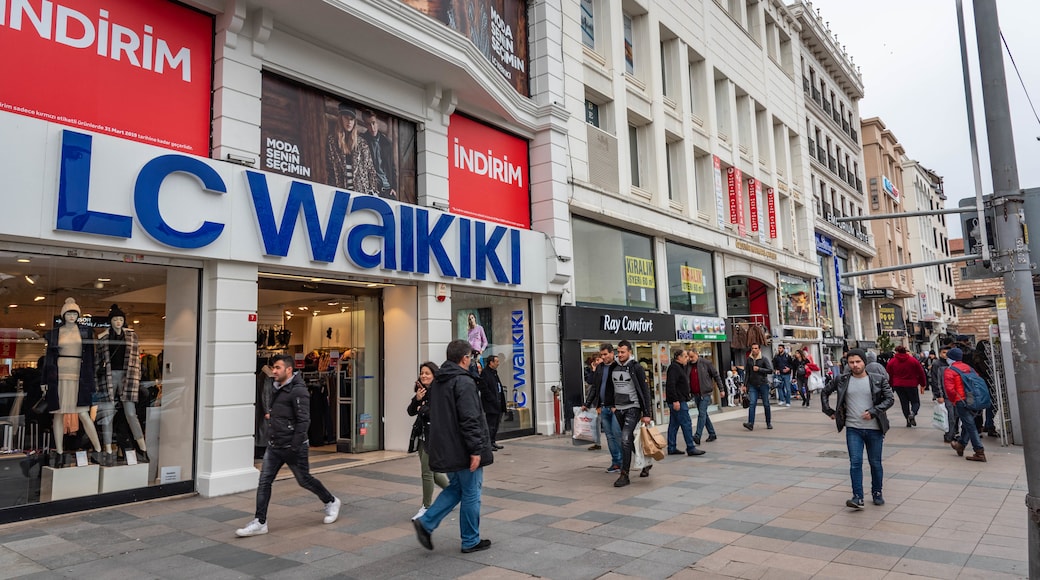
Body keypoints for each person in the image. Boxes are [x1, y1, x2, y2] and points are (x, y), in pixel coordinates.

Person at [236, 354, 340, 537]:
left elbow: (303, 421)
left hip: (293, 446)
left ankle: (331, 501)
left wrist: (294, 447)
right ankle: (260, 521)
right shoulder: (278, 387)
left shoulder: (298, 390)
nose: (273, 371)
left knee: (304, 480)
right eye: (273, 367)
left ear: (289, 369)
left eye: (277, 367)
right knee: (264, 482)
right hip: (275, 445)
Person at [413, 339, 494, 553]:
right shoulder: (463, 382)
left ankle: (426, 522)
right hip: (463, 449)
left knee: (457, 488)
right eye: (470, 357)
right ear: (464, 358)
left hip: (448, 448)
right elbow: (469, 418)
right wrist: (475, 450)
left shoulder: (440, 381)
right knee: (471, 492)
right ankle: (470, 540)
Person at [820, 349, 894, 509]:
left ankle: (877, 492)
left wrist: (873, 412)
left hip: (875, 429)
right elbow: (825, 392)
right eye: (851, 362)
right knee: (855, 462)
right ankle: (857, 497)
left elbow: (890, 399)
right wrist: (829, 411)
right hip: (853, 429)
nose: (855, 365)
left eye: (858, 362)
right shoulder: (842, 379)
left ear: (864, 362)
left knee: (875, 463)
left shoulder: (878, 379)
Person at [42, 298, 104, 467]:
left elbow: (90, 358)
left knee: (83, 413)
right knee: (58, 413)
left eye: (74, 313)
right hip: (59, 375)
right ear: (63, 315)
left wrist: (91, 381)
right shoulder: (55, 333)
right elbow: (49, 359)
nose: (71, 316)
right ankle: (60, 453)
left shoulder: (86, 331)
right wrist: (45, 380)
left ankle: (98, 450)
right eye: (68, 313)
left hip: (80, 375)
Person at [95, 303, 146, 465]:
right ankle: (108, 450)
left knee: (131, 413)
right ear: (110, 321)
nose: (118, 322)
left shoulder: (132, 336)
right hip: (108, 377)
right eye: (115, 319)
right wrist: (97, 380)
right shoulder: (103, 338)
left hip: (127, 377)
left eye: (120, 319)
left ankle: (142, 448)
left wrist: (136, 378)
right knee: (107, 415)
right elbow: (98, 362)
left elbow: (136, 360)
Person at [607, 340, 654, 487]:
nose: (620, 354)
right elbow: (609, 387)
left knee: (625, 439)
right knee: (628, 441)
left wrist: (647, 412)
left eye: (623, 352)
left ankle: (624, 474)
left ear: (629, 352)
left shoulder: (636, 368)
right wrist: (612, 406)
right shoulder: (613, 367)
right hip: (618, 409)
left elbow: (645, 391)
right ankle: (645, 462)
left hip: (633, 408)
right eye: (618, 352)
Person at [407, 361, 449, 520]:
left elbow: (436, 413)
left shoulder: (439, 392)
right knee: (435, 472)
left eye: (427, 373)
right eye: (422, 373)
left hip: (434, 437)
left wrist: (422, 408)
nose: (424, 376)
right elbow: (410, 411)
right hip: (421, 436)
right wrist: (417, 400)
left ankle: (426, 507)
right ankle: (454, 493)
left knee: (427, 472)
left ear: (434, 375)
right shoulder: (422, 391)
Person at [582, 344, 624, 474]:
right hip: (603, 407)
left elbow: (623, 387)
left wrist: (617, 405)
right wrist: (588, 403)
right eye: (602, 355)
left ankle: (624, 462)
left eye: (606, 354)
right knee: (610, 436)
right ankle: (616, 462)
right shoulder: (599, 368)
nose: (603, 357)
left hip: (615, 408)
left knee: (618, 435)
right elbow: (595, 387)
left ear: (612, 353)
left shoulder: (618, 367)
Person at [943, 347, 987, 462]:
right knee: (968, 424)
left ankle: (979, 451)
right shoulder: (969, 368)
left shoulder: (950, 370)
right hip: (973, 399)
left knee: (970, 426)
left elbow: (950, 389)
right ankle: (960, 445)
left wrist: (954, 401)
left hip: (961, 400)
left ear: (951, 358)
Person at [326, 103, 380, 194]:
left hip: (360, 194)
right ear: (341, 119)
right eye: (346, 118)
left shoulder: (362, 143)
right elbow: (329, 168)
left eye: (352, 119)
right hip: (340, 192)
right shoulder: (332, 141)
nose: (349, 122)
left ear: (355, 121)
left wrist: (373, 192)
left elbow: (371, 171)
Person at [663, 349, 699, 456]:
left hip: (679, 400)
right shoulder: (674, 368)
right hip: (678, 401)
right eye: (685, 356)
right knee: (686, 423)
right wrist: (675, 400)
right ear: (679, 357)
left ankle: (672, 447)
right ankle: (690, 447)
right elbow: (671, 385)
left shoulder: (679, 367)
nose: (687, 359)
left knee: (674, 425)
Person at [885, 345, 927, 428]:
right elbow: (921, 372)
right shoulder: (913, 360)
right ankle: (913, 413)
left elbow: (889, 374)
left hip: (898, 385)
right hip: (911, 384)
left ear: (896, 352)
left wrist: (890, 385)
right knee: (915, 402)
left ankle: (907, 420)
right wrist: (923, 384)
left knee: (904, 403)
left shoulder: (892, 361)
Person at [360, 109, 397, 200]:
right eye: (369, 124)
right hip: (372, 189)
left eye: (374, 123)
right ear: (365, 125)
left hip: (388, 190)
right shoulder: (362, 141)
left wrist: (394, 188)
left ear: (377, 123)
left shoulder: (386, 143)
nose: (372, 127)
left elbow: (392, 167)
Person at [688, 350, 722, 445]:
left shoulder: (706, 363)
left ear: (697, 354)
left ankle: (697, 435)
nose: (691, 359)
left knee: (702, 414)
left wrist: (721, 389)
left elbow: (716, 375)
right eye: (689, 357)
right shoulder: (689, 366)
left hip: (705, 393)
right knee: (704, 415)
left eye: (692, 357)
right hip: (695, 394)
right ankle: (712, 433)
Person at [742, 343, 773, 431]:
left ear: (759, 349)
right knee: (752, 404)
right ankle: (750, 423)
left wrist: (759, 369)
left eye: (756, 348)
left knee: (766, 404)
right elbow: (747, 373)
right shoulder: (749, 360)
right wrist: (745, 385)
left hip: (763, 384)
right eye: (752, 348)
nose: (754, 350)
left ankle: (768, 422)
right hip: (752, 385)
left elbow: (770, 370)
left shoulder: (763, 359)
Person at [929, 345, 956, 443]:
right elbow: (935, 381)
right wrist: (938, 395)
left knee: (955, 416)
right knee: (950, 416)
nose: (946, 355)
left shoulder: (953, 363)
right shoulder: (937, 364)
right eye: (944, 352)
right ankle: (949, 435)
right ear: (940, 353)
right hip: (945, 394)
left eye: (948, 353)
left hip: (955, 394)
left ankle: (953, 433)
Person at [479, 354, 506, 451]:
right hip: (490, 404)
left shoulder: (494, 373)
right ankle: (488, 443)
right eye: (496, 361)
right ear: (491, 363)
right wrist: (491, 399)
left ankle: (493, 441)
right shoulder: (485, 373)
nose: (498, 363)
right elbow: (484, 388)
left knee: (496, 424)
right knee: (490, 424)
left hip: (497, 403)